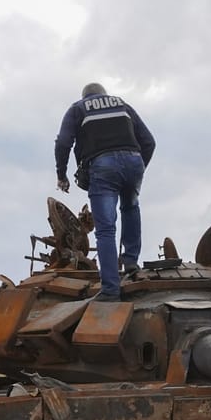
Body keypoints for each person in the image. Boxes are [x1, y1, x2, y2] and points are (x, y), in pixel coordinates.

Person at [54, 82, 155, 302]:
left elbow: (63, 142)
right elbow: (149, 141)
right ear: (104, 94)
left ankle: (110, 289)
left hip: (103, 164)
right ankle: (130, 262)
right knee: (130, 207)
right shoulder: (122, 105)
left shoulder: (77, 108)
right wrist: (137, 168)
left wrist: (61, 175)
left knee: (106, 228)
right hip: (134, 159)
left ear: (85, 96)